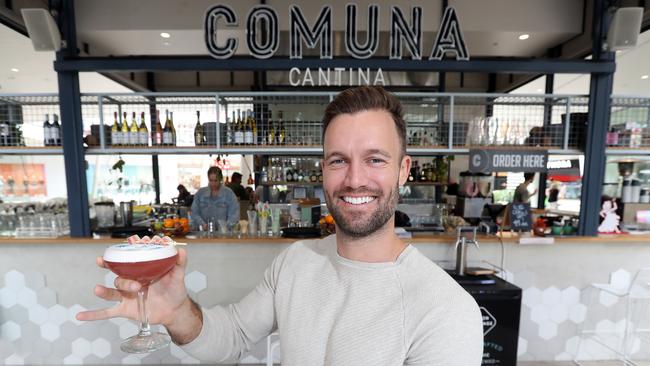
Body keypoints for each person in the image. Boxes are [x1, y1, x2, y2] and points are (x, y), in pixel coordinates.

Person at [77, 86, 483, 365]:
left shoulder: (445, 310)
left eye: (375, 159)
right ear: (323, 170)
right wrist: (177, 312)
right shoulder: (295, 262)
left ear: (403, 170)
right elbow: (231, 337)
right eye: (338, 160)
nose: (355, 179)